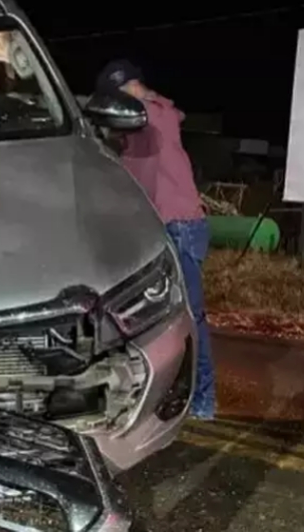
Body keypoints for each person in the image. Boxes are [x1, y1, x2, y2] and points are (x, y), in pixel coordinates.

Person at [95, 59, 215, 420]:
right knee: (160, 321)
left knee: (191, 320)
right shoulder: (140, 127)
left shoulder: (152, 116)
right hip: (164, 229)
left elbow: (144, 109)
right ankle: (177, 394)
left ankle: (204, 401)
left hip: (179, 227)